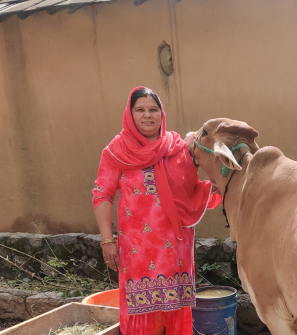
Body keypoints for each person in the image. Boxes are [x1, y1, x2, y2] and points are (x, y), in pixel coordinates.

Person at [92, 87, 221, 335]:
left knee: (176, 310)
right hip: (137, 250)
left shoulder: (178, 147)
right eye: (140, 110)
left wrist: (221, 186)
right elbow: (102, 194)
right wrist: (107, 241)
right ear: (130, 115)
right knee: (141, 311)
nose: (147, 115)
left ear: (162, 114)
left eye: (154, 110)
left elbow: (192, 189)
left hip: (176, 248)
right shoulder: (116, 151)